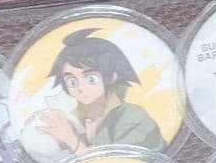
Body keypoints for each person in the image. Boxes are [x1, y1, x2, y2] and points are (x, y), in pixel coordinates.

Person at [31, 28, 164, 154]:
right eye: (72, 81)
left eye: (91, 79)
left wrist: (71, 140)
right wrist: (39, 127)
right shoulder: (76, 117)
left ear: (112, 77)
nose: (80, 88)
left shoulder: (134, 118)